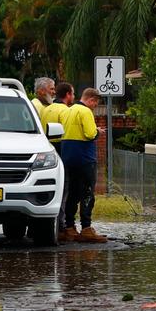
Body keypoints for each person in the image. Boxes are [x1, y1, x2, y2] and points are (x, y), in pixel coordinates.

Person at [61, 87, 107, 244]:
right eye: (95, 103)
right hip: (84, 158)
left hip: (68, 157)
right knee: (87, 192)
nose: (95, 106)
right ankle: (86, 229)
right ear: (91, 100)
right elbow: (89, 134)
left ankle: (69, 227)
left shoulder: (69, 110)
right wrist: (97, 132)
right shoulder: (85, 111)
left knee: (72, 194)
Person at [43, 82, 73, 238]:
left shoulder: (46, 109)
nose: (73, 97)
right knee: (63, 188)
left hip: (46, 152)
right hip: (62, 150)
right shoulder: (65, 111)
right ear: (67, 95)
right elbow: (68, 133)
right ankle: (60, 227)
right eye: (72, 94)